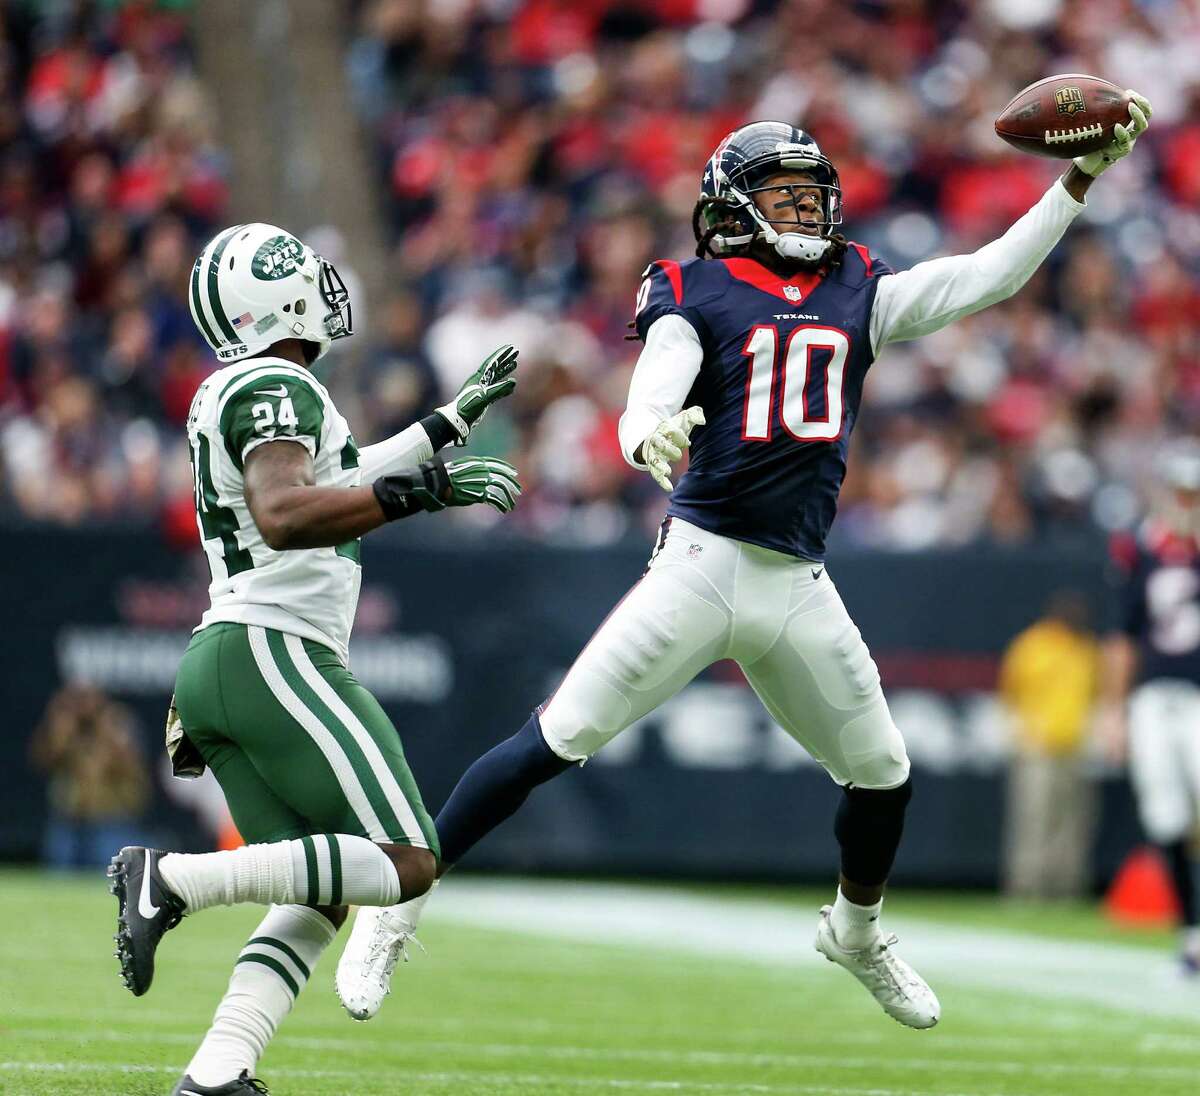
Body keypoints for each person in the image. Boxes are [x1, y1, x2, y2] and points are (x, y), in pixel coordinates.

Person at [337, 100, 1153, 1030]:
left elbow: (990, 276)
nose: (808, 210)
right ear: (735, 203)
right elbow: (656, 380)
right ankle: (397, 901)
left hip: (797, 581)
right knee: (554, 739)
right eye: (786, 194)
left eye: (814, 194)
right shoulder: (695, 288)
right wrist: (646, 429)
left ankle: (854, 930)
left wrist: (1079, 180)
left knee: (883, 772)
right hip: (701, 563)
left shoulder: (860, 287)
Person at [105, 222, 522, 1096]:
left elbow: (339, 475)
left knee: (320, 888)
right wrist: (424, 492)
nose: (323, 286)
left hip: (230, 657)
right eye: (300, 274)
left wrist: (445, 427)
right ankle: (171, 878)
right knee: (408, 860)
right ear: (275, 302)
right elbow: (288, 512)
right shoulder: (275, 382)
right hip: (274, 652)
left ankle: (219, 1071)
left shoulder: (246, 385)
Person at [1099, 440, 1200, 974]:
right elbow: (1122, 636)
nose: (1187, 502)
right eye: (1181, 490)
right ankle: (1192, 936)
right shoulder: (1140, 547)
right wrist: (1112, 710)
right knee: (1166, 815)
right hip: (1155, 697)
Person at [999, 591, 1099, 899]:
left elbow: (1095, 696)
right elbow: (1010, 693)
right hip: (1037, 747)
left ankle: (1066, 887)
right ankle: (1026, 886)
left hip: (1075, 746)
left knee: (1072, 821)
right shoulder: (1034, 645)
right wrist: (1022, 732)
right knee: (1034, 818)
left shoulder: (1086, 649)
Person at [31, 683, 150, 868]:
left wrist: (106, 732)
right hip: (69, 822)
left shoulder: (116, 721)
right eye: (78, 697)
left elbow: (132, 767)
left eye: (88, 696)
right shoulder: (66, 724)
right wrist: (59, 726)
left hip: (112, 822)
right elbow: (41, 761)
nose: (84, 703)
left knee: (111, 881)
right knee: (58, 885)